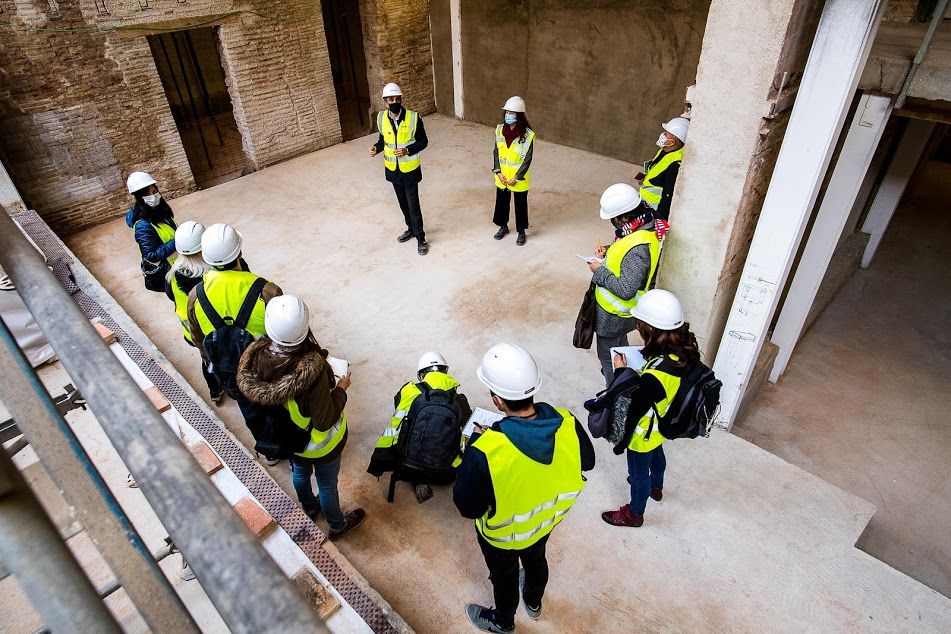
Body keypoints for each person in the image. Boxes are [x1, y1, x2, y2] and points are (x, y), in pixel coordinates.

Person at [455, 343, 595, 633]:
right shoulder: (567, 421)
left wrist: (475, 448)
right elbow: (588, 461)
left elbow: (467, 507)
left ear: (497, 401)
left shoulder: (486, 451)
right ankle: (533, 602)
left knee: (504, 578)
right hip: (544, 524)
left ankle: (503, 623)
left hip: (502, 539)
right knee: (535, 561)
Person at [236, 295, 366, 539]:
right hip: (320, 445)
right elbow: (324, 420)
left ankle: (308, 506)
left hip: (289, 441)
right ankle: (337, 525)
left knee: (300, 474)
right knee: (327, 485)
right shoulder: (312, 373)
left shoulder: (255, 361)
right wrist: (341, 389)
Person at [601, 289, 699, 528]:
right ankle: (656, 487)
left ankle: (634, 513)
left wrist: (622, 373)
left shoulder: (654, 377)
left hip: (643, 432)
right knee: (658, 456)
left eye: (639, 323)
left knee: (637, 473)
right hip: (663, 423)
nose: (637, 327)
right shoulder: (684, 353)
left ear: (650, 329)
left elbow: (633, 408)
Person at [186, 223, 284, 463]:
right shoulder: (266, 290)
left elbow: (199, 340)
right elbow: (285, 331)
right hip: (267, 367)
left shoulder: (196, 296)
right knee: (278, 408)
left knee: (250, 410)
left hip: (231, 369)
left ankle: (269, 451)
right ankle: (289, 448)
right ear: (239, 253)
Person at [367, 351, 471, 503]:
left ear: (421, 374)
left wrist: (381, 461)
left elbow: (395, 427)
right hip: (445, 472)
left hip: (407, 466)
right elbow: (465, 439)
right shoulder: (460, 401)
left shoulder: (408, 391)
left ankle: (418, 479)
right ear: (445, 371)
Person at [587, 183, 664, 386]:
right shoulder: (644, 225)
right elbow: (625, 246)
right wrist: (609, 249)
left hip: (614, 315)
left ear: (624, 217)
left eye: (614, 219)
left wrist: (599, 271)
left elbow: (626, 289)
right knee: (620, 349)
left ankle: (616, 393)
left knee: (608, 358)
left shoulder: (638, 249)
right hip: (619, 317)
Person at [164, 220, 222, 404]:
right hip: (215, 331)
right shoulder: (211, 275)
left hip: (192, 332)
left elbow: (171, 296)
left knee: (207, 361)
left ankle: (215, 391)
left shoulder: (172, 272)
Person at [369, 82, 430, 256]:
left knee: (413, 205)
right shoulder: (381, 119)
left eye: (397, 99)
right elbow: (383, 141)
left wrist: (407, 150)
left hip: (410, 170)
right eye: (390, 100)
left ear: (401, 99)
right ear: (385, 102)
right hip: (393, 170)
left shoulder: (413, 118)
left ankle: (420, 238)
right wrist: (376, 148)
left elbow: (423, 141)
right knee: (403, 204)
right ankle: (410, 229)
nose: (394, 102)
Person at [491, 96, 535, 246]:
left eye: (512, 113)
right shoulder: (499, 130)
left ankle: (521, 231)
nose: (508, 115)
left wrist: (517, 176)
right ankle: (503, 227)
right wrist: (497, 171)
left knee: (520, 205)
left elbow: (527, 159)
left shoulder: (528, 135)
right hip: (502, 177)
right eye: (507, 112)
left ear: (519, 115)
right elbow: (496, 152)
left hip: (518, 179)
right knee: (501, 203)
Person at [124, 171, 177, 287]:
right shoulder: (142, 226)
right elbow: (151, 255)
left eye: (155, 191)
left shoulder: (159, 211)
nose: (155, 195)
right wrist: (177, 241)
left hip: (178, 264)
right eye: (151, 193)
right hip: (170, 271)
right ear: (141, 197)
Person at [634, 117, 689, 222]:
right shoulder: (666, 150)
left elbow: (667, 196)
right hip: (645, 204)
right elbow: (657, 172)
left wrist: (660, 220)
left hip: (653, 210)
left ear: (672, 142)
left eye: (666, 133)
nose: (662, 135)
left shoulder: (675, 164)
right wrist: (645, 178)